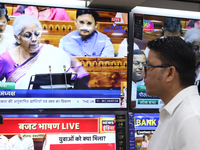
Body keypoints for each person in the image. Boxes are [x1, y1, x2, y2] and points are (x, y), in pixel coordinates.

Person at [0, 15, 89, 89]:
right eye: (28, 35)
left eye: (37, 34)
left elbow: (80, 74)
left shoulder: (53, 52)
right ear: (17, 38)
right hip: (19, 108)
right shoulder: (5, 58)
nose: (34, 39)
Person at [142, 36, 200, 150]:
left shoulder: (191, 118)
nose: (144, 74)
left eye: (149, 67)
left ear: (170, 73)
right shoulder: (174, 111)